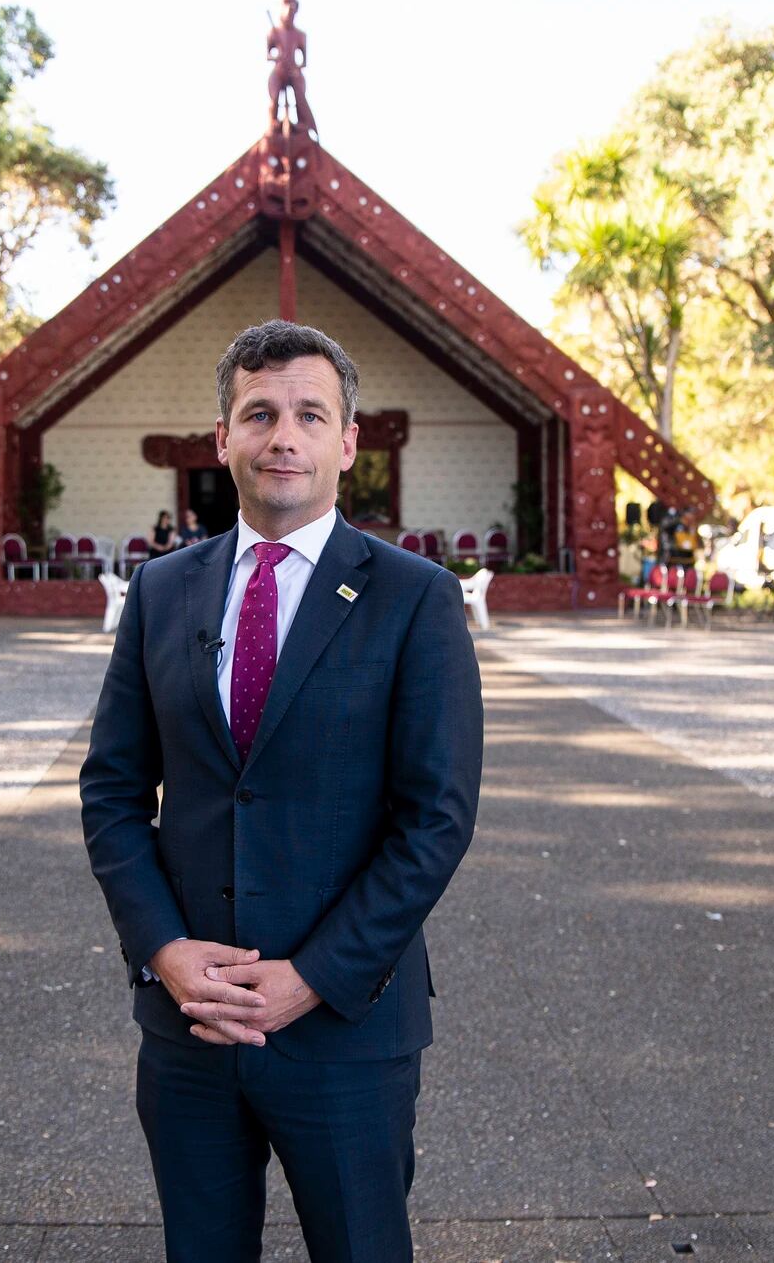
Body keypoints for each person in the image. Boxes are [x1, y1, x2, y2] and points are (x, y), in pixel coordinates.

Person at [80, 319, 482, 1263]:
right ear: (224, 438)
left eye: (310, 413)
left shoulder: (416, 597)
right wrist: (165, 952)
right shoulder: (164, 589)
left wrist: (311, 978)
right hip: (191, 1025)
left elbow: (436, 820)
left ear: (348, 442)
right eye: (258, 413)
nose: (282, 435)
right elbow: (111, 789)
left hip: (344, 1027)